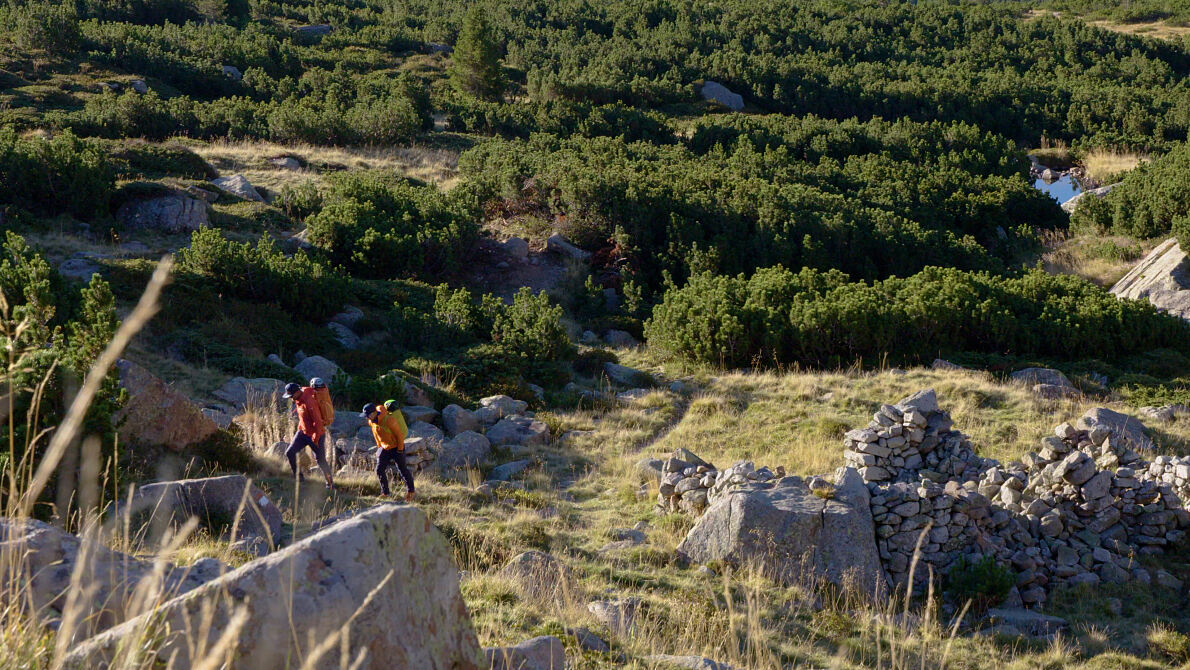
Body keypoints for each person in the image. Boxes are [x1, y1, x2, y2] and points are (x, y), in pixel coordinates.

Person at [283, 382, 335, 490]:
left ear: (297, 392)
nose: (291, 398)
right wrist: (299, 430)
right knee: (290, 452)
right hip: (303, 432)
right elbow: (302, 418)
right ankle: (300, 480)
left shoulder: (309, 402)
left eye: (291, 395)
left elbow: (318, 422)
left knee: (320, 460)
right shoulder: (298, 398)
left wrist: (315, 439)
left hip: (316, 434)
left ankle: (330, 485)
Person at [363, 402, 414, 502]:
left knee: (402, 469)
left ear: (373, 413)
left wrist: (399, 449)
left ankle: (411, 492)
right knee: (379, 470)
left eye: (367, 415)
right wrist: (379, 447)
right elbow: (376, 434)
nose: (366, 418)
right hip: (384, 448)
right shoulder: (371, 421)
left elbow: (399, 435)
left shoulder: (389, 420)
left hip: (396, 447)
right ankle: (385, 493)